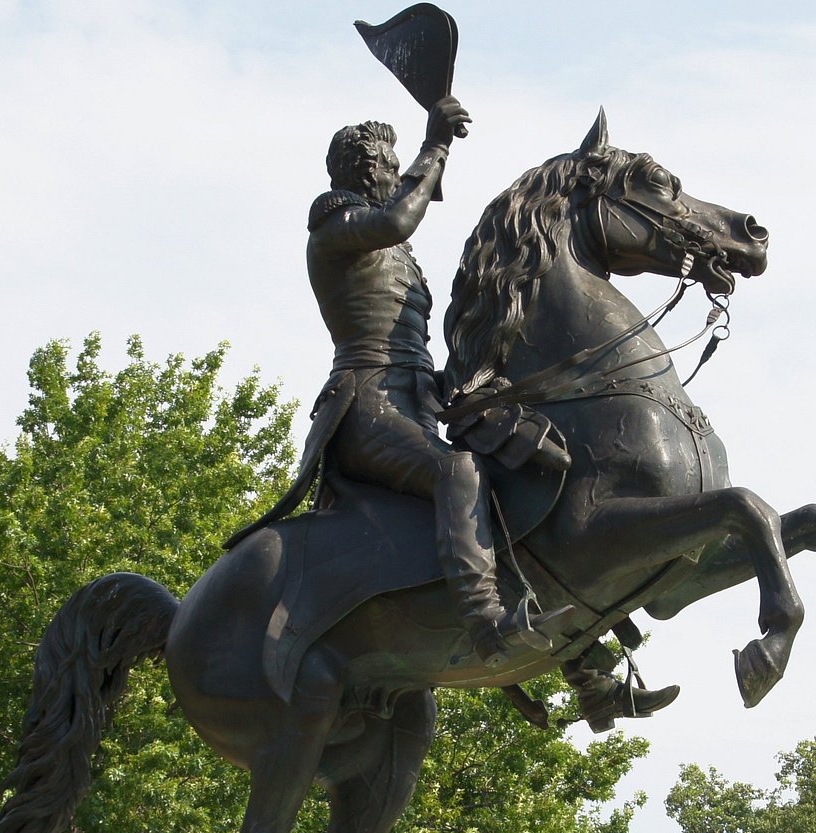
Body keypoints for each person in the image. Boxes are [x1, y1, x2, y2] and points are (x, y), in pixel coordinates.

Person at [229, 97, 677, 722]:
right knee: (458, 474)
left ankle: (589, 672)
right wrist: (436, 143)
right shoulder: (336, 227)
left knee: (510, 477)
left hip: (413, 402)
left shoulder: (386, 246)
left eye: (394, 162)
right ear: (362, 169)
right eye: (386, 163)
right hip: (365, 408)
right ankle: (489, 622)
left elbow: (414, 343)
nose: (395, 171)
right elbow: (398, 220)